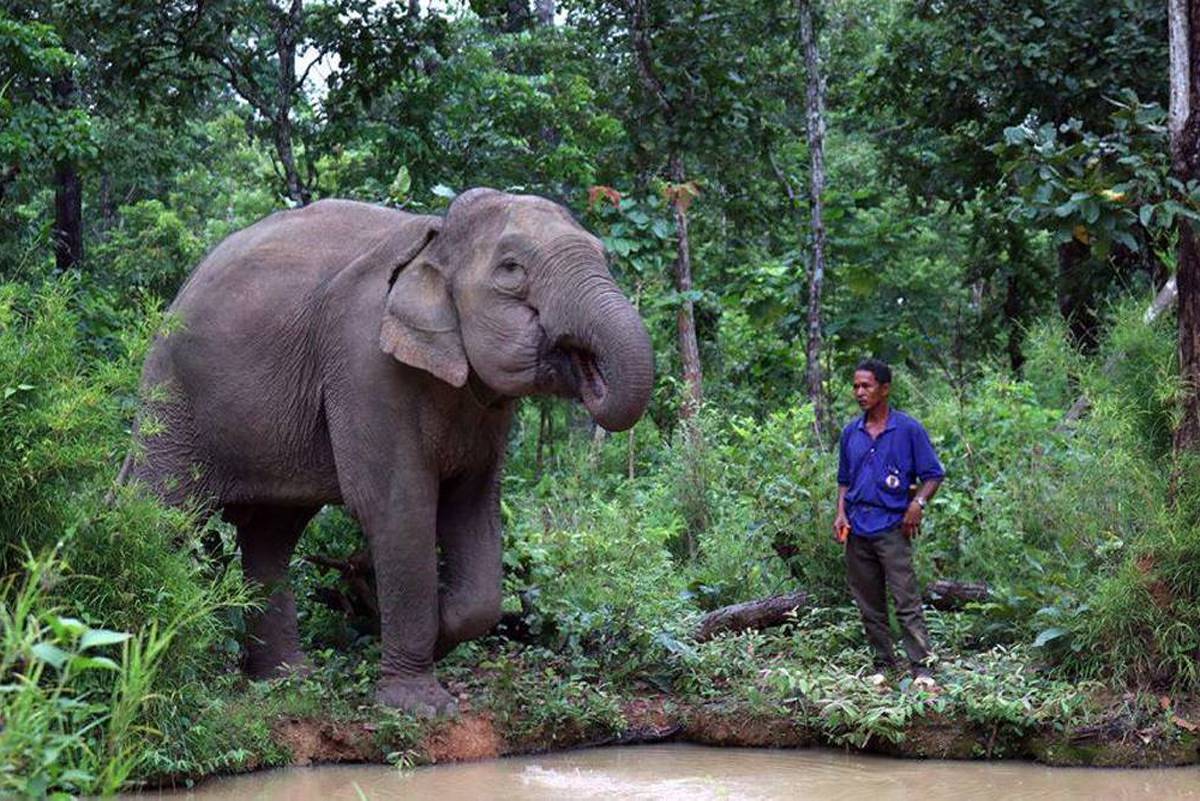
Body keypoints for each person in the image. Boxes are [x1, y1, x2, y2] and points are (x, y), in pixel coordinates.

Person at [833, 358, 944, 689]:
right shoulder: (850, 433)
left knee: (905, 598)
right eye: (855, 386)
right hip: (857, 526)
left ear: (884, 389)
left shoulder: (907, 429)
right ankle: (883, 664)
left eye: (866, 386)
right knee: (869, 603)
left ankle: (922, 668)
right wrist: (840, 512)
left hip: (892, 527)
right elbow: (844, 480)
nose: (859, 392)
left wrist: (917, 504)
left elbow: (933, 474)